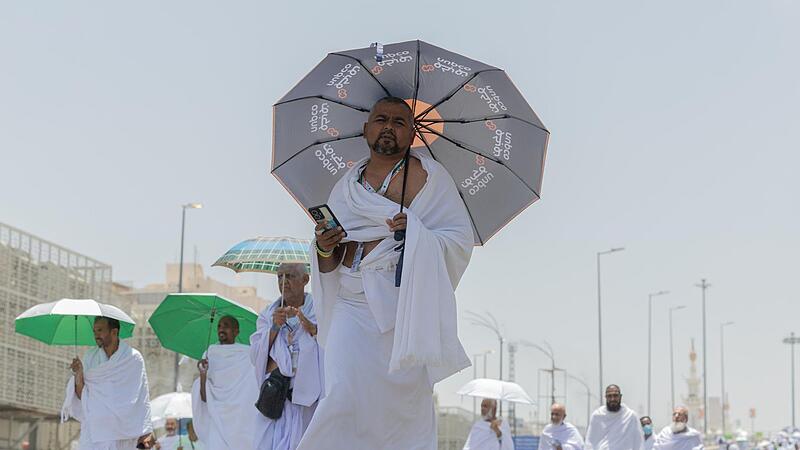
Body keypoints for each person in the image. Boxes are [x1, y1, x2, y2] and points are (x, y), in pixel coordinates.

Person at [299, 96, 474, 450]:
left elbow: (457, 241)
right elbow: (329, 261)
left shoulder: (430, 178)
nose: (388, 128)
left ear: (412, 134)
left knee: (400, 411)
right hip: (351, 301)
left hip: (402, 306)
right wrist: (324, 245)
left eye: (398, 122)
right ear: (366, 129)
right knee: (341, 395)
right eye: (381, 119)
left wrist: (417, 233)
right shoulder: (346, 186)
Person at [250, 262, 323, 450]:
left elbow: (330, 341)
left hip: (308, 397)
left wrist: (309, 326)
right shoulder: (268, 314)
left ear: (305, 280)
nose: (283, 281)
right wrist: (275, 327)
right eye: (279, 276)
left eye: (289, 276)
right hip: (277, 397)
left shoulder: (320, 309)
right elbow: (257, 355)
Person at [61, 316, 156, 449]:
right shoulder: (90, 357)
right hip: (95, 431)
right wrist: (79, 374)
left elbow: (141, 396)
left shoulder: (133, 358)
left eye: (100, 330)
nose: (96, 335)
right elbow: (83, 396)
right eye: (94, 331)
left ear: (114, 332)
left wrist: (146, 430)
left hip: (123, 432)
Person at [191, 315, 258, 450]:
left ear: (236, 331)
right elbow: (204, 397)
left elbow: (253, 386)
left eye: (226, 326)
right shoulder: (210, 353)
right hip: (216, 419)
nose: (221, 329)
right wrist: (203, 374)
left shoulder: (247, 354)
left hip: (240, 421)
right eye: (219, 326)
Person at [586, 385, 644, 450]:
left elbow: (639, 442)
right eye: (609, 396)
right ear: (606, 397)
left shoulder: (630, 416)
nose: (612, 399)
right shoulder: (597, 416)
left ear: (620, 397)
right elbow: (590, 443)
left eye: (615, 395)